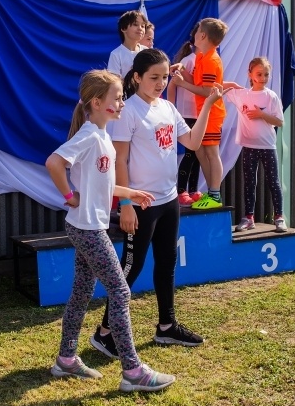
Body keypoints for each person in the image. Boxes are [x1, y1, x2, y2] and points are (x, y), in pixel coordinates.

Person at [89, 49, 226, 359]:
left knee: (166, 263)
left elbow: (192, 142)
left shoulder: (166, 107)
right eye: (154, 77)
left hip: (168, 200)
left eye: (165, 77)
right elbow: (119, 160)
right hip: (140, 204)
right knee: (131, 267)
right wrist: (124, 203)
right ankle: (104, 333)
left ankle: (166, 326)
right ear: (136, 77)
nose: (161, 83)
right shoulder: (129, 111)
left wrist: (207, 107)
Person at [46, 69, 175, 393]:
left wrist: (128, 193)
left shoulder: (101, 136)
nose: (121, 103)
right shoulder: (89, 135)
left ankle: (66, 360)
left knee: (81, 293)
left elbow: (100, 181)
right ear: (97, 102)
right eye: (117, 98)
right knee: (120, 292)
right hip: (88, 229)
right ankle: (133, 371)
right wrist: (68, 197)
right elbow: (53, 163)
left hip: (86, 226)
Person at [170, 18, 234, 209]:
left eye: (197, 31)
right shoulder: (202, 57)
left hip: (213, 113)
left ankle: (215, 194)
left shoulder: (211, 60)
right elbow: (198, 82)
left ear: (203, 35)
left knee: (212, 153)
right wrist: (182, 70)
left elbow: (207, 91)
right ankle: (212, 194)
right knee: (200, 151)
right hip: (204, 113)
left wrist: (182, 84)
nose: (194, 34)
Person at [225, 57, 287, 232]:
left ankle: (279, 217)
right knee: (250, 182)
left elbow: (279, 121)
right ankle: (249, 217)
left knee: (273, 182)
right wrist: (234, 85)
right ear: (250, 74)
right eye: (259, 74)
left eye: (266, 74)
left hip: (267, 147)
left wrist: (261, 115)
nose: (263, 78)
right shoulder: (242, 94)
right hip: (249, 146)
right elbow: (218, 85)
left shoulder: (271, 96)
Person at [167, 24, 202, 206]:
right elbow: (174, 84)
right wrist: (173, 110)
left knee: (197, 153)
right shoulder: (189, 60)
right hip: (187, 112)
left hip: (199, 114)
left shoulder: (205, 60)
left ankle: (194, 189)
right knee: (190, 153)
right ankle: (181, 191)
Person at [107, 10, 147, 79]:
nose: (140, 28)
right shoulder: (116, 54)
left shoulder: (147, 51)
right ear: (123, 28)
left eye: (143, 26)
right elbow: (114, 82)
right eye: (135, 24)